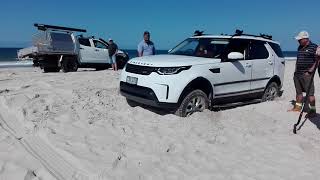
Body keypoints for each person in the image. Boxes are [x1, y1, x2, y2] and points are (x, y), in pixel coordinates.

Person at [290, 31, 319, 118]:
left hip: (307, 75)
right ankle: (298, 108)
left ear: (306, 39)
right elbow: (298, 59)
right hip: (297, 74)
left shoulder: (314, 47)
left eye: (300, 39)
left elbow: (318, 60)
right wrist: (295, 70)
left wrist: (311, 70)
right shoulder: (300, 47)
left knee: (310, 94)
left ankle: (313, 111)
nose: (298, 41)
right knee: (298, 92)